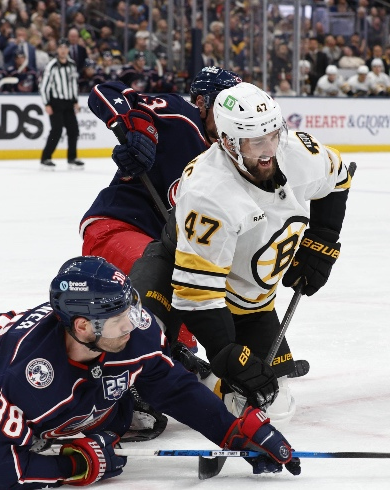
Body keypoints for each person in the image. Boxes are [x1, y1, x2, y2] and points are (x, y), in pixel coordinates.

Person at [0, 256, 300, 489]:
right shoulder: (30, 377)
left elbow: (173, 387)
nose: (133, 324)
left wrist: (238, 430)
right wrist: (73, 467)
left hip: (64, 377)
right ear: (84, 326)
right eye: (118, 317)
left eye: (130, 309)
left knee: (121, 407)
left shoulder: (128, 333)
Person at [168, 82, 353, 422]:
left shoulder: (296, 153)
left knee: (275, 405)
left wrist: (322, 239)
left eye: (273, 135)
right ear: (228, 142)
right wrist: (227, 355)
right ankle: (184, 367)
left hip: (247, 298)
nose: (270, 150)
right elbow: (198, 295)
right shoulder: (209, 193)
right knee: (152, 371)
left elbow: (338, 176)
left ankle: (202, 373)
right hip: (181, 275)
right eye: (256, 142)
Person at [81, 66, 241, 352]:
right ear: (203, 103)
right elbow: (106, 92)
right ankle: (173, 365)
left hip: (163, 246)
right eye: (226, 105)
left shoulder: (229, 155)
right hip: (117, 226)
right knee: (171, 282)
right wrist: (140, 131)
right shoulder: (180, 116)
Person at [39, 41, 83, 170]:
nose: (63, 50)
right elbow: (44, 86)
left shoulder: (72, 64)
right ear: (57, 49)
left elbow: (74, 84)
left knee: (73, 130)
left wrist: (75, 101)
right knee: (56, 131)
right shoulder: (51, 65)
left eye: (65, 48)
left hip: (69, 102)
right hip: (56, 102)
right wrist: (47, 103)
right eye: (60, 48)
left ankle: (72, 158)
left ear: (68, 50)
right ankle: (46, 158)